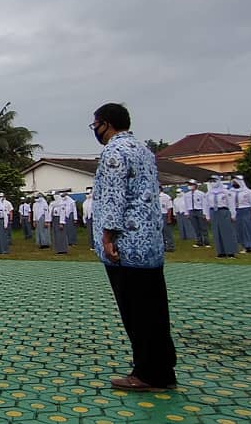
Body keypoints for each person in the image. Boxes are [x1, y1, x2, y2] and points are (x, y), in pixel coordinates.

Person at [90, 103, 177, 391]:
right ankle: (162, 370)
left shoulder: (114, 152)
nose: (96, 131)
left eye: (95, 125)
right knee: (154, 311)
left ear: (106, 124)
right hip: (148, 243)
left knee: (137, 313)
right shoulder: (143, 150)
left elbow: (114, 197)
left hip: (126, 245)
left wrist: (107, 237)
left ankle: (148, 373)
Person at [207, 176, 238, 258]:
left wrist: (233, 214)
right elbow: (206, 205)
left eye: (214, 180)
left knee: (227, 232)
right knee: (216, 232)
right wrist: (207, 215)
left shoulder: (226, 192)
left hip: (223, 211)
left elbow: (231, 204)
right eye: (211, 181)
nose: (213, 182)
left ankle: (230, 252)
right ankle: (220, 252)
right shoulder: (209, 193)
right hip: (213, 212)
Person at [232, 176, 251, 254]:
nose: (234, 184)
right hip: (237, 211)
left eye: (235, 182)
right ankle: (244, 246)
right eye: (233, 182)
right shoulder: (231, 192)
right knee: (240, 229)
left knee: (249, 228)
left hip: (246, 210)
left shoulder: (248, 192)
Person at [184, 180, 210, 248]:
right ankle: (199, 242)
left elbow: (205, 204)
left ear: (195, 185)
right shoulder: (186, 195)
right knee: (196, 227)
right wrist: (187, 213)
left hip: (199, 210)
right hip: (192, 211)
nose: (190, 186)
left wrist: (205, 213)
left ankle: (206, 242)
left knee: (203, 227)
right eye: (189, 185)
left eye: (191, 184)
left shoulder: (201, 194)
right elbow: (186, 204)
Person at [159, 187, 175, 252]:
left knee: (167, 231)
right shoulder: (154, 196)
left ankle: (170, 246)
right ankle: (163, 246)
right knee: (160, 232)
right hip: (157, 215)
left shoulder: (166, 197)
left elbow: (169, 208)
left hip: (164, 214)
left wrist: (169, 218)